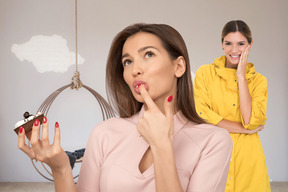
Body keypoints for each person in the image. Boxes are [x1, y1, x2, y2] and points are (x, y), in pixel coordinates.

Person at [18, 23, 232, 192]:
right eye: (127, 61)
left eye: (148, 54)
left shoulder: (214, 141)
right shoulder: (105, 133)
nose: (135, 70)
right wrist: (61, 168)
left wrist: (162, 146)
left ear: (179, 66)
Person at [194, 20, 271, 192]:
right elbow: (201, 114)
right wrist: (244, 130)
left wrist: (241, 77)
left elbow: (250, 121)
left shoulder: (258, 81)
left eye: (241, 44)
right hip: (214, 153)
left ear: (250, 45)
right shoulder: (205, 74)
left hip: (249, 159)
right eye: (228, 43)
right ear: (221, 44)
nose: (234, 50)